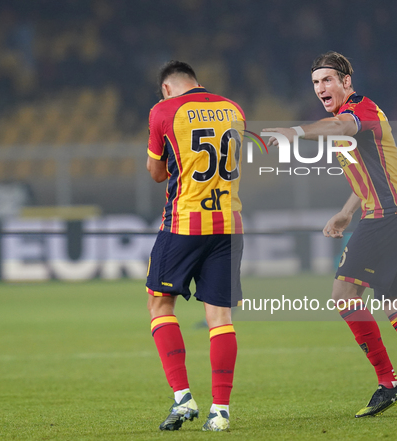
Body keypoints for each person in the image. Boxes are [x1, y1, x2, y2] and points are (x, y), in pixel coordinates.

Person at [264, 52, 397, 417]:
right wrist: (347, 212)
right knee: (395, 304)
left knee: (343, 294)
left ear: (347, 82)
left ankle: (389, 383)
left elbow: (341, 128)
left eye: (328, 80)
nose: (321, 88)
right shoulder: (346, 118)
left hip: (388, 215)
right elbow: (365, 172)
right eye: (316, 83)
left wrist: (296, 132)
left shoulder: (360, 110)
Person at [146, 60, 245, 431]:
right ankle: (220, 413)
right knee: (220, 318)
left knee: (159, 304)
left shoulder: (163, 110)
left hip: (184, 222)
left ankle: (183, 399)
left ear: (167, 88)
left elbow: (157, 173)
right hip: (229, 224)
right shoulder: (234, 109)